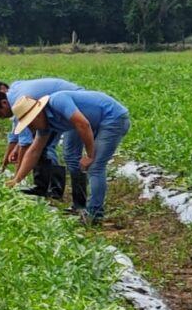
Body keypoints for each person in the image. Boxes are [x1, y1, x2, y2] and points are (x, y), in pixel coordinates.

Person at [7, 91, 131, 225]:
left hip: (113, 118)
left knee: (95, 167)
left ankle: (94, 216)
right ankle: (90, 210)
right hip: (97, 122)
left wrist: (89, 155)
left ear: (37, 114)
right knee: (80, 160)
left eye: (30, 123)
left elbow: (83, 124)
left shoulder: (58, 101)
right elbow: (34, 151)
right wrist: (17, 179)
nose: (31, 128)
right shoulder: (45, 125)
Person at [0, 78, 85, 208]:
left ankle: (74, 202)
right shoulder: (14, 93)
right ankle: (43, 188)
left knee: (70, 155)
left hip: (76, 105)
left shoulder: (20, 103)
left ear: (3, 103)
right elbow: (20, 137)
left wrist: (16, 179)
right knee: (43, 147)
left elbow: (27, 144)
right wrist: (11, 158)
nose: (2, 117)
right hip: (62, 109)